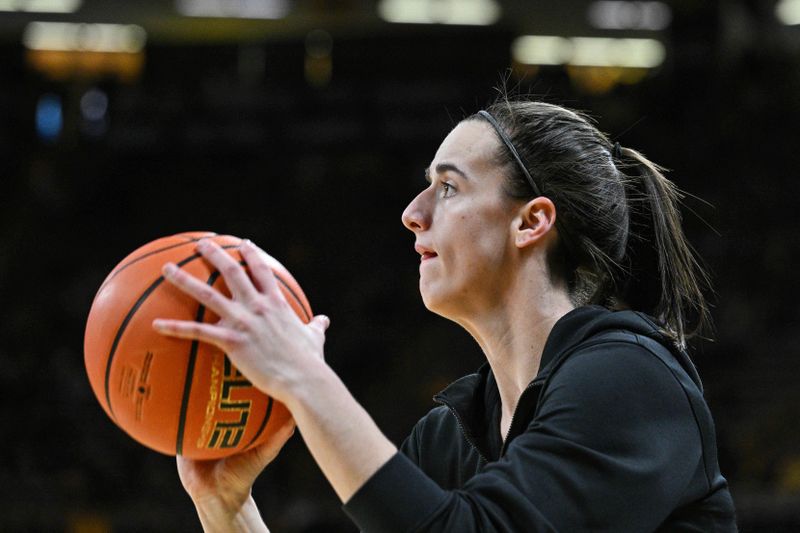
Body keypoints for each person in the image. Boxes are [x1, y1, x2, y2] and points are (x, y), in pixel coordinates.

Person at [153, 98, 737, 532]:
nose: (412, 213)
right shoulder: (447, 436)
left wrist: (306, 380)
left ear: (531, 222)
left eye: (448, 188)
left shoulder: (632, 381)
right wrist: (225, 507)